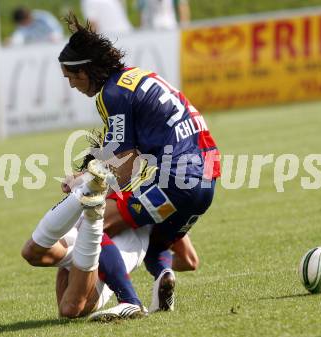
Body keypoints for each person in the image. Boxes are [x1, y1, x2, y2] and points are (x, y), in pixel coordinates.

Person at [56, 13, 220, 320]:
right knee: (156, 242)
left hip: (177, 182)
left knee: (94, 225)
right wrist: (86, 173)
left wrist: (86, 188)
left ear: (85, 71)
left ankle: (128, 300)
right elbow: (119, 149)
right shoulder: (136, 78)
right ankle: (164, 278)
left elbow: (126, 167)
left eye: (70, 78)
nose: (72, 86)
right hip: (207, 179)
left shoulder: (110, 95)